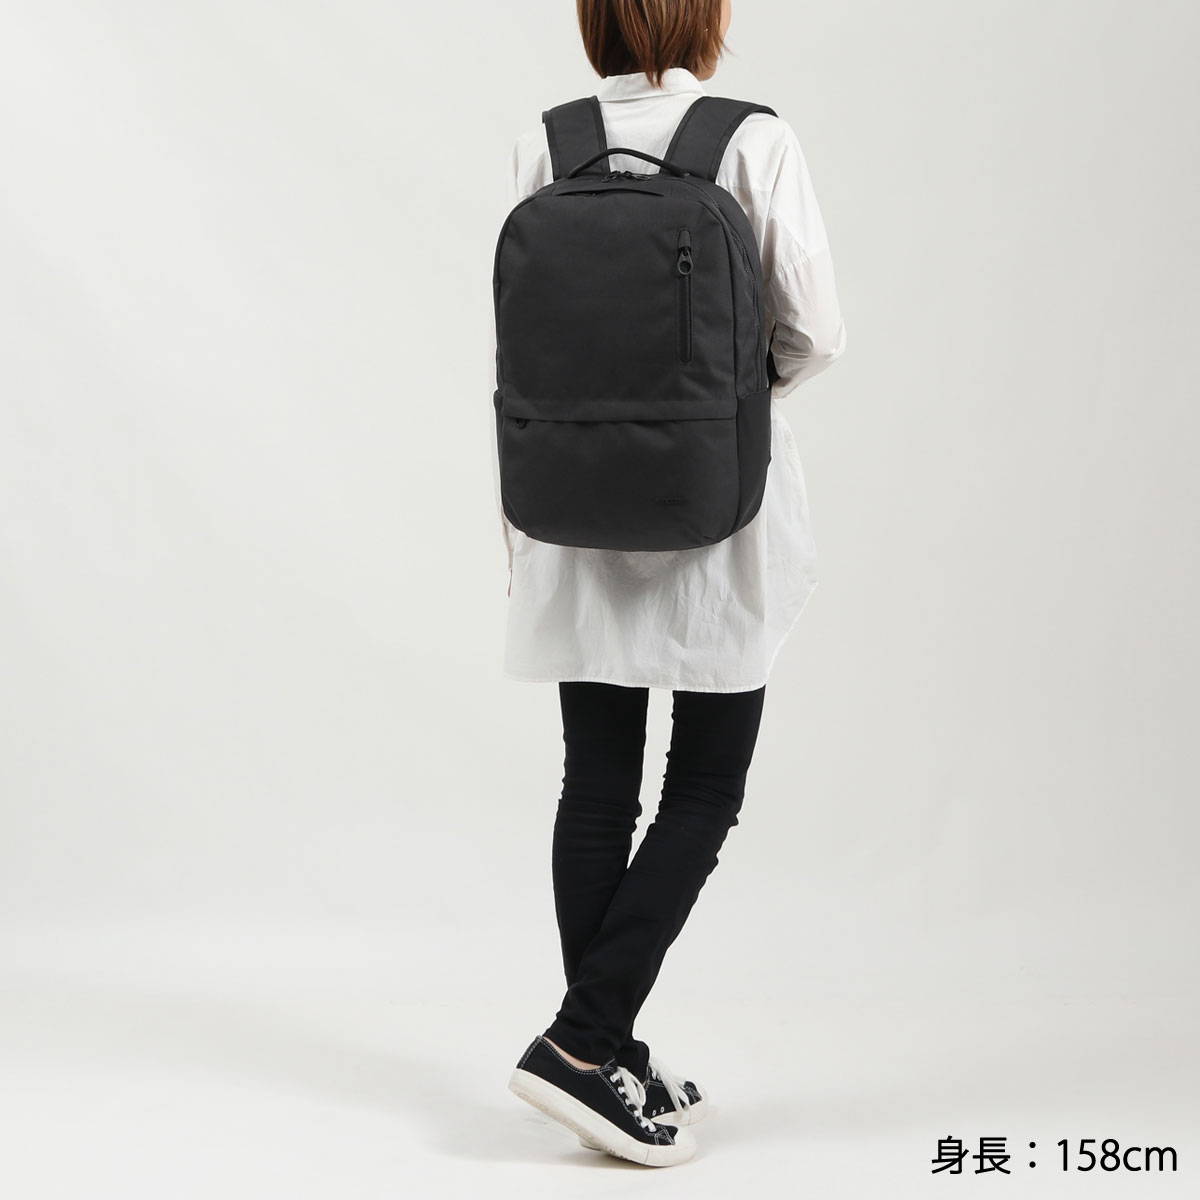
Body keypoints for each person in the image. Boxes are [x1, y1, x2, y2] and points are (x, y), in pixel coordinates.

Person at [499, 0, 846, 1167]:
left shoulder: (548, 142)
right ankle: (583, 1044)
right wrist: (715, 399)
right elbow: (814, 332)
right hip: (713, 506)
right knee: (703, 788)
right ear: (707, 17)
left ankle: (606, 1051)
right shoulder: (754, 140)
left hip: (570, 499)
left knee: (598, 788)